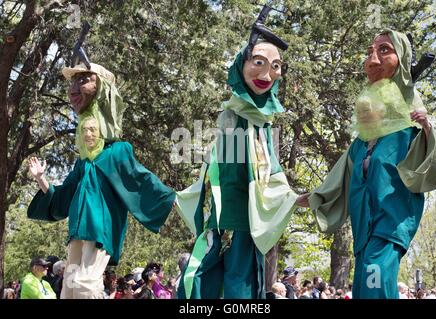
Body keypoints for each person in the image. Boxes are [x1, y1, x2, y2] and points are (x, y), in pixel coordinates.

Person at [303, 29, 436, 299]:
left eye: (384, 50)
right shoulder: (360, 144)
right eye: (370, 51)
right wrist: (306, 199)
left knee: (374, 276)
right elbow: (337, 181)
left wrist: (427, 128)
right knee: (366, 286)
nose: (372, 59)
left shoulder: (409, 132)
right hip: (363, 230)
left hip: (391, 225)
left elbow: (429, 170)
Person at [175, 9, 304, 298]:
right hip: (221, 218)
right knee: (197, 284)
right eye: (258, 63)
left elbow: (271, 169)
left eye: (275, 66)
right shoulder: (231, 116)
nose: (266, 74)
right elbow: (221, 165)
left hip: (248, 220)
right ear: (240, 64)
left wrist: (291, 197)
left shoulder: (262, 126)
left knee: (241, 288)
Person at [27, 62, 176, 299]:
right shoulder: (83, 163)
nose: (74, 88)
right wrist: (42, 179)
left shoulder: (117, 152)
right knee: (70, 287)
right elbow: (63, 196)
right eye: (73, 81)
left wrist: (173, 198)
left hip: (100, 230)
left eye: (84, 79)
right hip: (78, 230)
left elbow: (141, 179)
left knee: (86, 285)